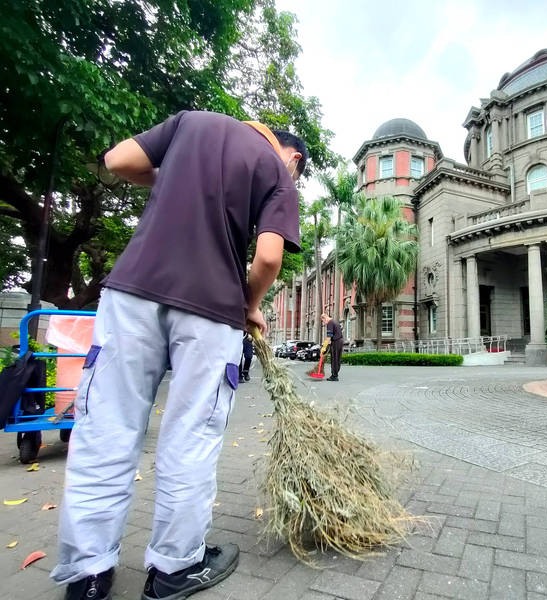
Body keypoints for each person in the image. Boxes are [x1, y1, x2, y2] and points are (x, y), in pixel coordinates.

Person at [52, 110, 307, 600]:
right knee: (190, 437)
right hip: (210, 311)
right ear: (292, 156)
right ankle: (174, 568)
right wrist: (249, 306)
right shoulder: (278, 173)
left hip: (131, 293)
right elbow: (269, 258)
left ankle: (87, 574)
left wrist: (171, 184)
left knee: (105, 430)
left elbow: (119, 159)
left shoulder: (191, 122)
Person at [321, 314, 344, 381]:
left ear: (324, 318)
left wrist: (324, 347)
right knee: (337, 359)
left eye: (323, 321)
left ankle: (334, 376)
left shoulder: (330, 323)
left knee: (334, 359)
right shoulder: (335, 321)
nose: (324, 323)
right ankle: (335, 374)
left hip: (336, 342)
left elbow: (329, 337)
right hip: (340, 341)